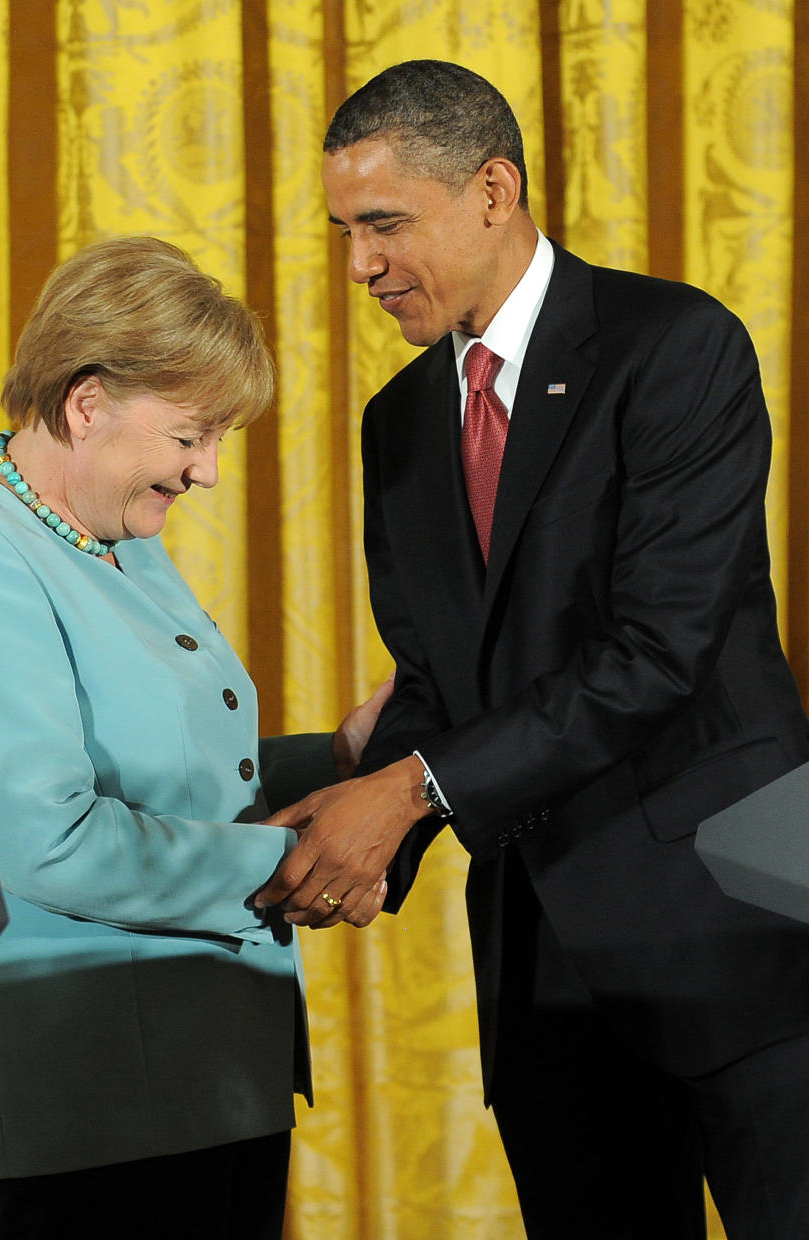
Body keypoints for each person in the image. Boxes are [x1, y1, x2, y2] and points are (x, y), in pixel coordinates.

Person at [255, 60, 809, 1238]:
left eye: (384, 224)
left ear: (493, 191)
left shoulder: (675, 347)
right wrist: (328, 846)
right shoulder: (396, 426)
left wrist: (406, 794)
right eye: (346, 232)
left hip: (740, 934)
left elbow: (657, 653)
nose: (360, 266)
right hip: (544, 969)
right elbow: (433, 682)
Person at [0, 235, 389, 1240]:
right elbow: (47, 841)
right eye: (191, 436)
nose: (206, 472)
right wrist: (299, 858)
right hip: (92, 1107)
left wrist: (332, 757)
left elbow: (163, 768)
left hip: (200, 1076)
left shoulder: (102, 525)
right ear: (86, 405)